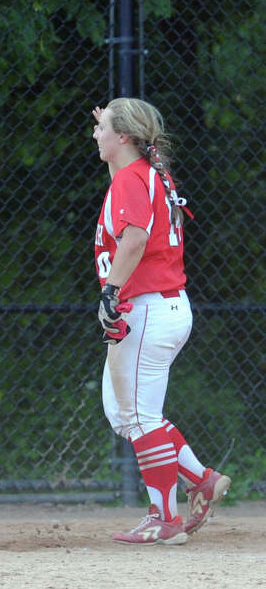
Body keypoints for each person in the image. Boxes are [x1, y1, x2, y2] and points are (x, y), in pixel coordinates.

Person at [90, 98, 230, 545]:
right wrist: (113, 126)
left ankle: (164, 517)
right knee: (123, 412)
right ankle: (201, 480)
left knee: (139, 415)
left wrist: (111, 291)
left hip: (147, 307)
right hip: (161, 305)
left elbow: (134, 239)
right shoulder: (146, 173)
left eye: (103, 128)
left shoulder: (133, 177)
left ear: (124, 136)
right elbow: (129, 204)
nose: (95, 134)